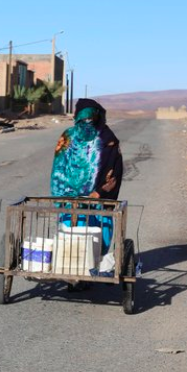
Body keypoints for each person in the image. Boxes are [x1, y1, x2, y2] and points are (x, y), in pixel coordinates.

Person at [50, 98, 123, 259]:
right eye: (84, 119)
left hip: (99, 200)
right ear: (77, 118)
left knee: (99, 239)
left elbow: (115, 169)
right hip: (71, 199)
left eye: (91, 119)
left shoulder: (107, 138)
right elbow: (58, 168)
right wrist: (63, 195)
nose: (87, 123)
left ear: (97, 118)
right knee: (71, 238)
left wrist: (100, 191)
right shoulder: (68, 136)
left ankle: (96, 263)